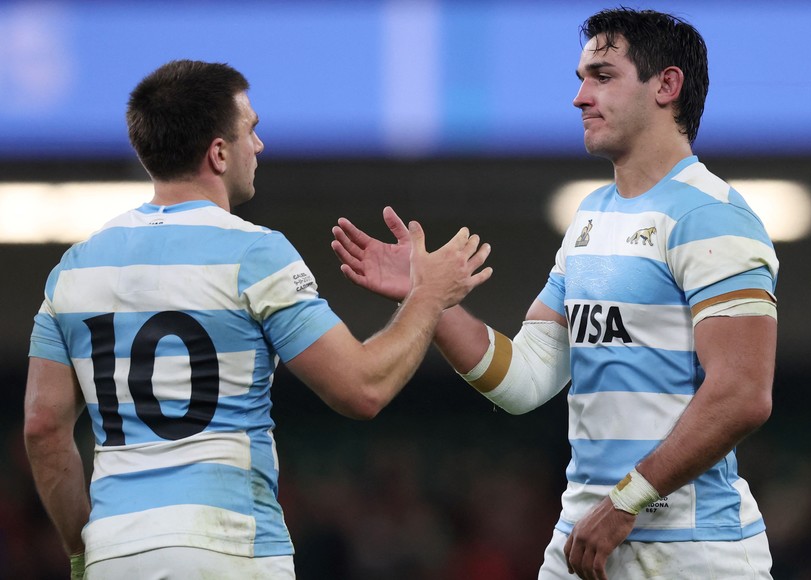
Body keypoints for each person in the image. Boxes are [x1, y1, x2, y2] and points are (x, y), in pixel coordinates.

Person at [331, 8, 779, 579]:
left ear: (667, 86)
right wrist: (427, 299)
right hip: (583, 538)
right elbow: (528, 378)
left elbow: (743, 393)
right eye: (580, 79)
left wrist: (626, 500)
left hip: (690, 551)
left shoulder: (712, 217)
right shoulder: (590, 217)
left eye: (603, 76)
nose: (580, 98)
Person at [23, 59, 492, 579]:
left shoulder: (73, 270)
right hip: (228, 547)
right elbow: (362, 389)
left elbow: (43, 430)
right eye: (253, 130)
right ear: (218, 153)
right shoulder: (254, 253)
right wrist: (427, 296)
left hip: (115, 554)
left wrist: (85, 550)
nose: (260, 146)